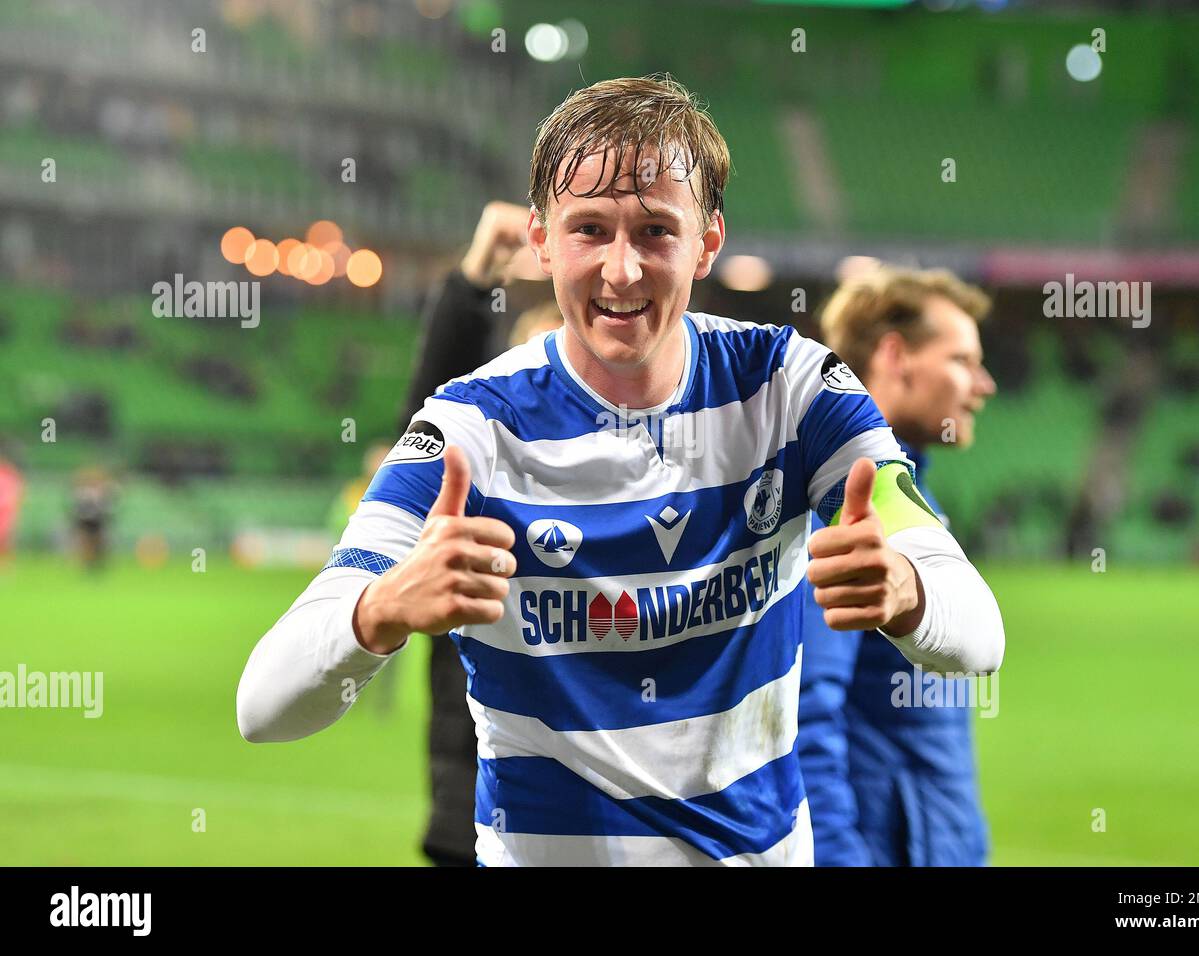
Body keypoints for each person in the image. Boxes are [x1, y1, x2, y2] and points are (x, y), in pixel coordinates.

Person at [237, 74, 1003, 866]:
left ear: (708, 241)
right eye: (590, 229)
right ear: (541, 239)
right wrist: (382, 608)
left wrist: (909, 592)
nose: (622, 269)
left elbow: (978, 632)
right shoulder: (467, 427)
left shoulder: (794, 389)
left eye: (655, 232)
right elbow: (263, 706)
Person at [798, 265, 999, 866]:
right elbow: (806, 714)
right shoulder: (844, 501)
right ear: (895, 355)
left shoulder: (910, 497)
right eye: (962, 360)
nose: (983, 384)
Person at [400, 201, 561, 867]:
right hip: (476, 801)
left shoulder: (627, 496)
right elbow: (427, 418)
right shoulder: (473, 492)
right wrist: (476, 277)